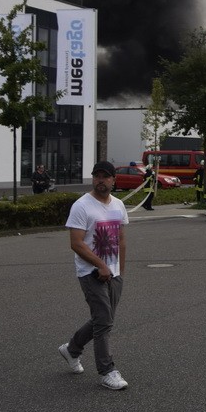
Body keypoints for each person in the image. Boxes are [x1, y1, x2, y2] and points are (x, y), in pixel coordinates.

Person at [57, 161, 130, 390]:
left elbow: (121, 240)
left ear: (113, 180)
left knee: (102, 320)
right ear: (93, 179)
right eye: (97, 176)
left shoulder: (118, 205)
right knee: (104, 321)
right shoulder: (82, 206)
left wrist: (120, 272)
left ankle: (71, 350)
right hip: (91, 273)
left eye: (105, 176)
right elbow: (76, 244)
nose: (101, 180)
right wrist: (101, 265)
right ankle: (107, 371)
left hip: (113, 273)